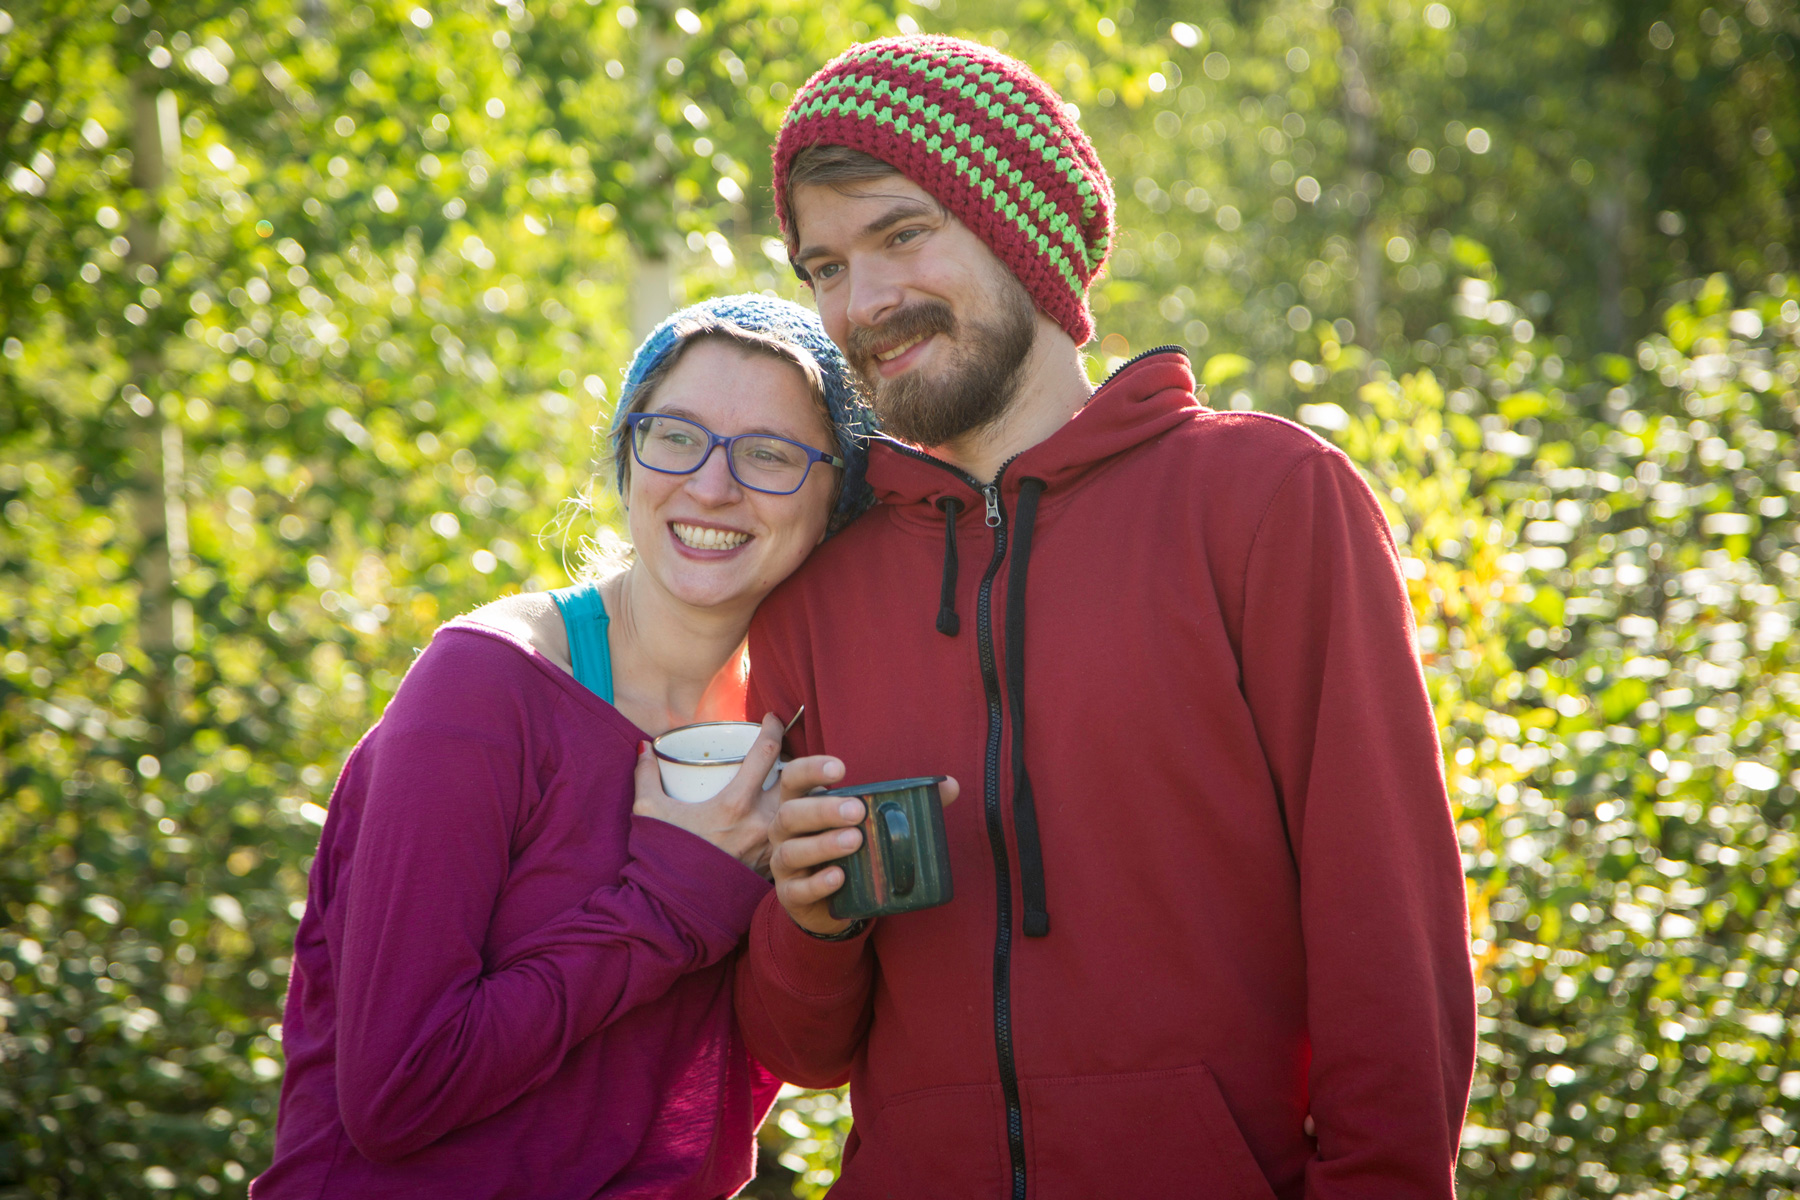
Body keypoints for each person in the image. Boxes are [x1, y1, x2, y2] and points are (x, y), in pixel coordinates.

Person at [738, 36, 1478, 1199]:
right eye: (824, 265)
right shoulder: (814, 586)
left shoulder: (1264, 505)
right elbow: (803, 1049)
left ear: (1019, 232)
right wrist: (809, 923)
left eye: (899, 233)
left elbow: (1390, 945)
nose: (863, 301)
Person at [253, 295, 876, 1199]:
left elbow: (801, 1058)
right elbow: (396, 1090)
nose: (710, 485)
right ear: (628, 455)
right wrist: (671, 892)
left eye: (771, 455)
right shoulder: (487, 687)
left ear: (836, 501)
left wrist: (820, 922)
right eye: (674, 436)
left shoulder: (793, 741)